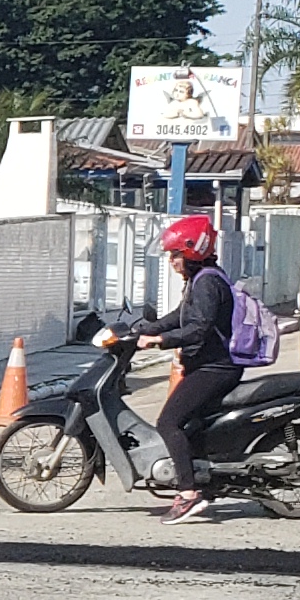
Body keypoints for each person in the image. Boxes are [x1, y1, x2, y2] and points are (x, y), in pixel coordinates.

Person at [99, 212, 233, 524]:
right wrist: (142, 329)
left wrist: (158, 340)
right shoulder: (202, 280)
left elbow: (197, 329)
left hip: (215, 367)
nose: (172, 261)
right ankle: (202, 479)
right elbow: (180, 316)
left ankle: (188, 495)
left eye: (176, 255)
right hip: (208, 364)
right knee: (191, 424)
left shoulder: (208, 284)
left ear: (192, 253)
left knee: (168, 422)